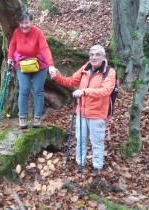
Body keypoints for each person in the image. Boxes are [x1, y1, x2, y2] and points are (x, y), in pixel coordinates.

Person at [49, 45, 116, 175]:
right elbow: (70, 81)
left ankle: (97, 167)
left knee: (97, 142)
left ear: (103, 57)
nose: (94, 57)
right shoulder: (86, 68)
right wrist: (57, 76)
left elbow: (106, 91)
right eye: (92, 55)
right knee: (80, 139)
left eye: (97, 55)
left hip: (97, 113)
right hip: (81, 112)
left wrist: (84, 91)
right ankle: (80, 163)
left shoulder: (109, 72)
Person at [7, 10, 57, 129]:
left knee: (38, 90)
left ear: (31, 22)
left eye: (27, 22)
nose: (24, 26)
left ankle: (37, 118)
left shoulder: (38, 32)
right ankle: (22, 118)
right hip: (22, 64)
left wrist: (51, 65)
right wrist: (10, 58)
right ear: (19, 23)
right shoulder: (17, 32)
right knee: (24, 90)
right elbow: (13, 45)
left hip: (39, 64)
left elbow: (44, 48)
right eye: (22, 23)